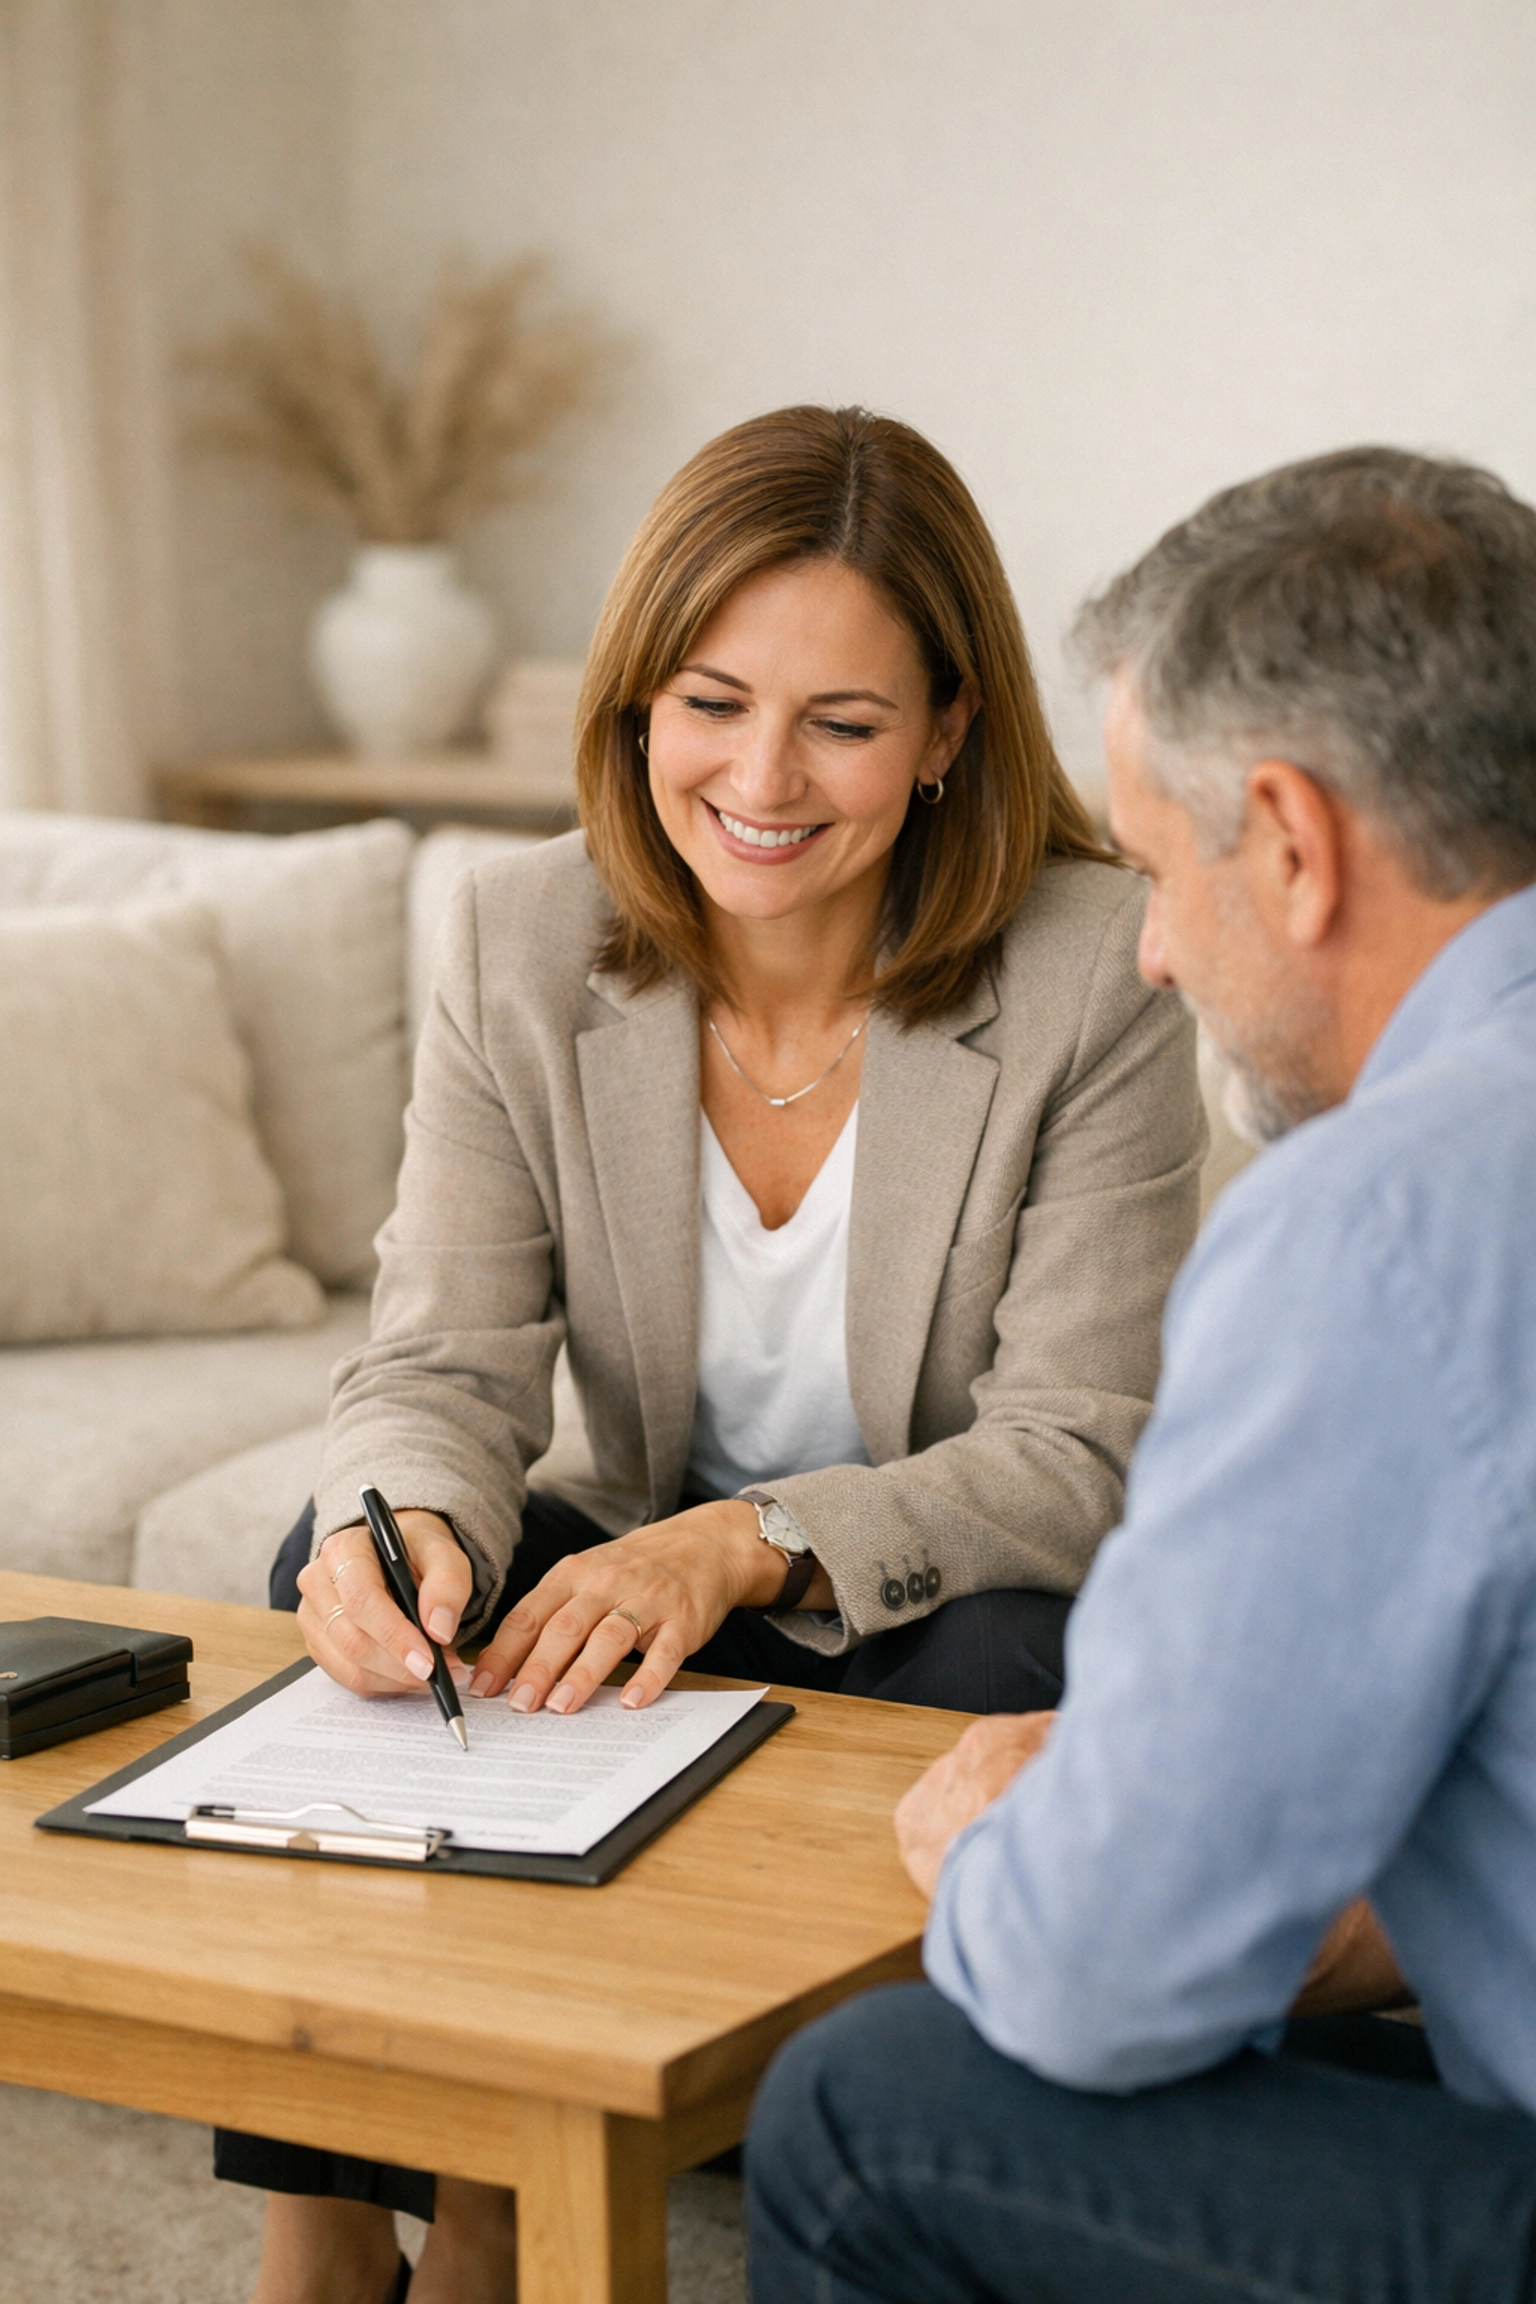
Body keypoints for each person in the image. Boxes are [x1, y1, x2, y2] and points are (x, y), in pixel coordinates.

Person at [227, 404, 1201, 2304]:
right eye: (711, 702)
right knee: (342, 1570)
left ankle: (512, 2192)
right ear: (635, 709)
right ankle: (329, 2225)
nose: (763, 776)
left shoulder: (1092, 966)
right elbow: (440, 1358)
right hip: (626, 1544)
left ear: (945, 738)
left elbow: (1079, 1447)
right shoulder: (519, 935)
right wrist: (407, 1509)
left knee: (1026, 1647)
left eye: (842, 723)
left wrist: (744, 1540)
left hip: (891, 1585)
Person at [747, 444, 1536, 2303]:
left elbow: (1102, 1980)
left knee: (870, 2102)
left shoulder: (1378, 1220)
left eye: (1165, 872)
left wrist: (991, 1851)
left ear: (1293, 836)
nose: (1159, 954)